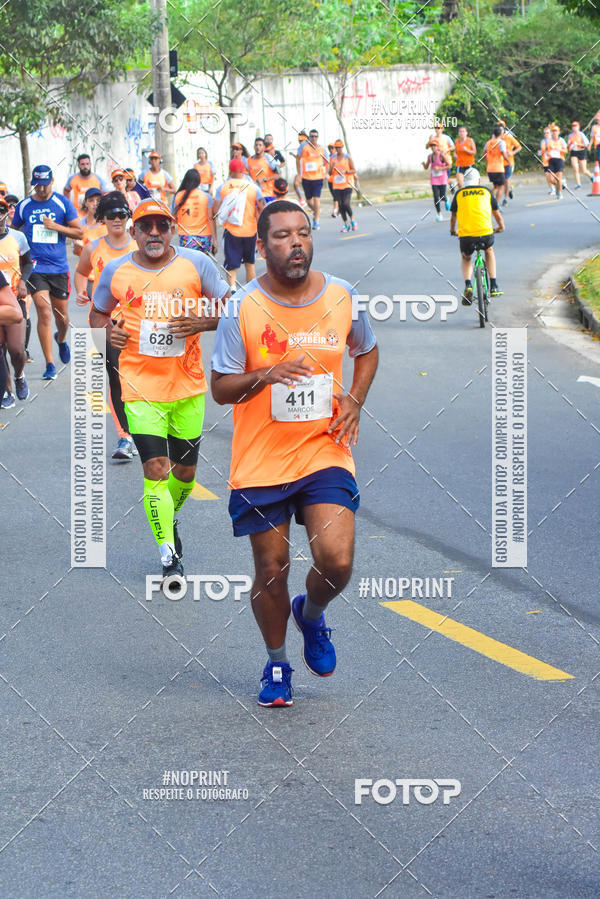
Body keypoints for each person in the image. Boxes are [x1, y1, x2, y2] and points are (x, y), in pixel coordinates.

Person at [211, 200, 378, 706]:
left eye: (303, 233)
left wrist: (353, 400)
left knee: (338, 560)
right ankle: (278, 663)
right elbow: (220, 387)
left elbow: (366, 350)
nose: (296, 243)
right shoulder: (241, 306)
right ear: (260, 247)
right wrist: (266, 374)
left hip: (323, 448)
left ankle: (310, 614)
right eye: (282, 236)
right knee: (271, 567)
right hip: (261, 458)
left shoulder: (342, 295)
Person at [90, 198, 229, 583]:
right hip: (138, 384)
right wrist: (107, 333)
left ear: (173, 230)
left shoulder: (196, 264)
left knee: (185, 473)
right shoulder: (116, 271)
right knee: (156, 468)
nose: (154, 233)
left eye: (161, 226)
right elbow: (97, 314)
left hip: (187, 383)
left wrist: (201, 322)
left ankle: (170, 513)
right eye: (145, 226)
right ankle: (168, 555)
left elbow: (233, 310)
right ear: (133, 232)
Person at [75, 191, 138, 460]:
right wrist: (81, 291)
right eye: (111, 215)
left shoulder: (138, 246)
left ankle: (146, 428)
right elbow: (80, 272)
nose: (116, 220)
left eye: (122, 215)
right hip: (104, 320)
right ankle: (125, 436)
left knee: (138, 377)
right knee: (116, 377)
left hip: (137, 320)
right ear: (103, 218)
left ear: (128, 217)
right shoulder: (94, 247)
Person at [12, 165, 82, 379]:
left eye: (45, 185)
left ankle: (61, 339)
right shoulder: (24, 206)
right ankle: (50, 364)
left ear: (52, 182)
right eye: (37, 185)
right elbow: (13, 233)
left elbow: (79, 231)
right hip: (35, 267)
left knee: (62, 317)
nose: (41, 189)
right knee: (43, 310)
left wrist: (56, 227)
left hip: (59, 267)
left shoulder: (62, 203)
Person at [449, 167, 505, 305]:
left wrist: (452, 230)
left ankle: (468, 284)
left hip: (466, 237)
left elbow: (453, 217)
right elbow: (496, 214)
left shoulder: (459, 194)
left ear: (464, 181)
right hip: (485, 233)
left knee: (466, 257)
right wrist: (501, 227)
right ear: (478, 180)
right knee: (489, 250)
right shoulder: (486, 192)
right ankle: (494, 285)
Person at [0, 197, 33, 406]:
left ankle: (19, 375)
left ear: (5, 213)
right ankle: (7, 390)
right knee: (0, 348)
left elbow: (28, 263)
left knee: (16, 349)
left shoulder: (17, 237)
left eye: (1, 210)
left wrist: (23, 280)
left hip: (14, 298)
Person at [212, 157, 265, 287]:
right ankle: (250, 289)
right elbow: (262, 206)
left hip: (232, 231)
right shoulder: (253, 186)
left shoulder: (222, 187)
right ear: (244, 170)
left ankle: (233, 289)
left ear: (230, 170)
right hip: (251, 231)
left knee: (232, 264)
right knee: (250, 262)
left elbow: (215, 210)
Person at [173, 168, 216, 255]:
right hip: (204, 236)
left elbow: (174, 217)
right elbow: (210, 218)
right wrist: (215, 240)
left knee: (189, 264)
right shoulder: (206, 196)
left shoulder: (178, 196)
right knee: (203, 264)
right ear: (198, 181)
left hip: (186, 237)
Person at [297, 128, 327, 229]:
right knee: (309, 200)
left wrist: (326, 173)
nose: (313, 138)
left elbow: (327, 161)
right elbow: (298, 158)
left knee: (316, 198)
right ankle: (316, 212)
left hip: (318, 177)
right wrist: (299, 174)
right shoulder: (304, 146)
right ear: (309, 137)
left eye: (315, 136)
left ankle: (316, 221)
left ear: (318, 138)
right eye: (312, 136)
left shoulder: (322, 148)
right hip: (306, 177)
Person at [329, 140, 357, 232]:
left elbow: (354, 170)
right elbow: (329, 173)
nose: (338, 149)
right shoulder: (332, 158)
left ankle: (352, 220)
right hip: (337, 185)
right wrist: (332, 167)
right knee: (340, 205)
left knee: (346, 203)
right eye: (336, 147)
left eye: (339, 147)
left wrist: (346, 172)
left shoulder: (347, 157)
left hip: (347, 184)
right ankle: (346, 224)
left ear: (342, 147)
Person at [73, 188, 107, 258]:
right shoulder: (80, 224)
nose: (95, 204)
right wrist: (77, 246)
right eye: (91, 200)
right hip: (85, 266)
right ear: (86, 203)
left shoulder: (108, 223)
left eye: (98, 200)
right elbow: (76, 252)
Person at [422, 140, 451, 222]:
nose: (433, 147)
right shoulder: (430, 157)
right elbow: (426, 167)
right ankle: (439, 214)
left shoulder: (441, 155)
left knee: (442, 196)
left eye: (435, 146)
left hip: (442, 178)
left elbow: (449, 165)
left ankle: (446, 199)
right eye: (432, 146)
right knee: (435, 197)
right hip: (434, 178)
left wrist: (440, 168)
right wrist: (424, 164)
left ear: (437, 147)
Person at [248, 137, 280, 202]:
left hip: (268, 194)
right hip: (254, 195)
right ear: (254, 147)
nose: (258, 147)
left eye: (260, 145)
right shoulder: (249, 160)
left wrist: (265, 179)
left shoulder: (269, 159)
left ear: (264, 147)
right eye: (256, 145)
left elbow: (278, 175)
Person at [483, 126, 510, 204]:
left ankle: (488, 199)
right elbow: (503, 154)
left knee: (495, 187)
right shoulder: (501, 142)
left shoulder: (488, 142)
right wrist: (509, 161)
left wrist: (489, 160)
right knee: (501, 187)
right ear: (501, 134)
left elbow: (484, 154)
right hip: (498, 168)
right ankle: (496, 205)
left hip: (490, 168)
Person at [497, 121, 521, 205]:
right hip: (498, 163)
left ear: (504, 128)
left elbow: (518, 146)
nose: (499, 129)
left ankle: (505, 199)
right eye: (498, 127)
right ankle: (509, 189)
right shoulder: (495, 137)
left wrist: (512, 152)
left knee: (506, 180)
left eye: (501, 127)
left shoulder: (509, 136)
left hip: (508, 162)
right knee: (501, 181)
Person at [546, 124, 568, 200]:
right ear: (551, 132)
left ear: (559, 132)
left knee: (558, 177)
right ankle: (561, 184)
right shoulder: (549, 141)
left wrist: (560, 149)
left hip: (559, 160)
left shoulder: (561, 140)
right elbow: (546, 150)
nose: (555, 132)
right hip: (551, 160)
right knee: (550, 179)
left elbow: (566, 151)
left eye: (556, 131)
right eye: (553, 131)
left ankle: (559, 193)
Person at [567, 121, 590, 188]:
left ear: (578, 127)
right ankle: (578, 184)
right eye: (573, 126)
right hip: (574, 152)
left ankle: (591, 176)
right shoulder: (570, 135)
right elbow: (568, 144)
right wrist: (569, 144)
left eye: (575, 126)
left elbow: (586, 145)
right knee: (575, 168)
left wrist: (578, 144)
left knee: (584, 170)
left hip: (581, 152)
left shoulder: (581, 134)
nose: (574, 128)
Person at [538, 127, 555, 195]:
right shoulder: (543, 141)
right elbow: (542, 150)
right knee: (547, 176)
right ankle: (552, 188)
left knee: (552, 176)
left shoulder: (554, 140)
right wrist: (540, 152)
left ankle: (557, 186)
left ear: (551, 133)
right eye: (545, 133)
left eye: (547, 133)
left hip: (553, 160)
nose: (546, 134)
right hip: (545, 161)